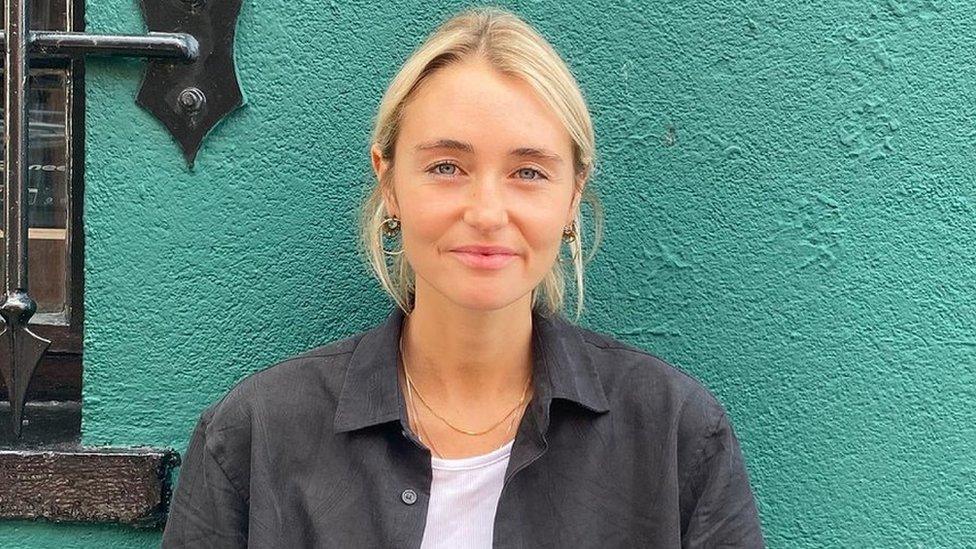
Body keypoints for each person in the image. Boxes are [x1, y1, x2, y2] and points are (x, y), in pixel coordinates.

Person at [161, 6, 764, 548]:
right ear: (390, 181)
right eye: (447, 166)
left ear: (574, 195)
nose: (486, 213)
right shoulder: (254, 435)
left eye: (529, 172)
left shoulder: (677, 437)